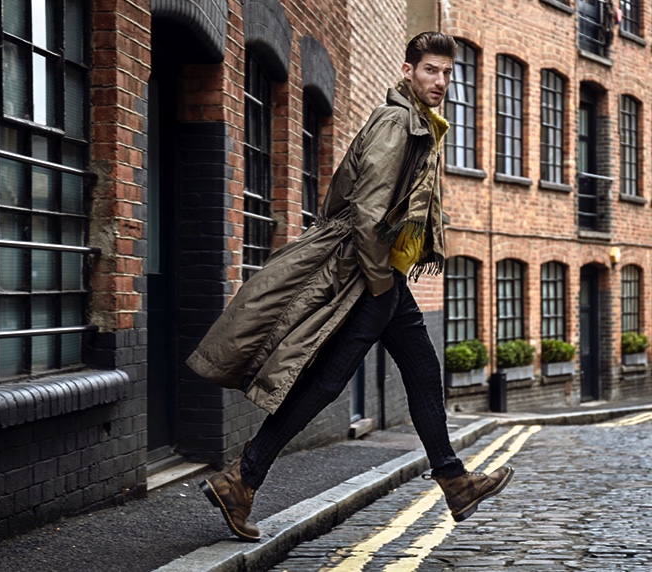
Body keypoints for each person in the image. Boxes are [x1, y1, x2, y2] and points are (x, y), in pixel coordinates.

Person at [186, 31, 513, 542]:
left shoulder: (418, 123)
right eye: (431, 70)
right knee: (326, 381)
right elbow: (368, 210)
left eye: (448, 73)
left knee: (423, 370)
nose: (441, 81)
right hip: (370, 272)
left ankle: (453, 480)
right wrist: (381, 283)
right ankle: (241, 479)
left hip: (384, 273)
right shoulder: (397, 123)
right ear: (408, 71)